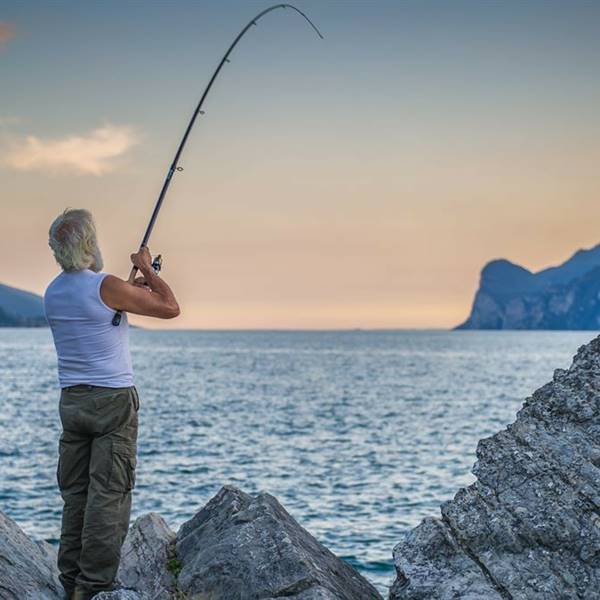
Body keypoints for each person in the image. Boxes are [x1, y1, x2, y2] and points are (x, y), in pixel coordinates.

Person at [43, 208, 179, 600]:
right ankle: (94, 588)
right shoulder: (107, 286)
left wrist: (125, 287)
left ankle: (70, 583)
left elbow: (101, 310)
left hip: (72, 402)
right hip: (113, 402)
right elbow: (169, 307)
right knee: (109, 497)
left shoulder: (53, 291)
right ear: (90, 244)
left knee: (77, 496)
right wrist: (146, 270)